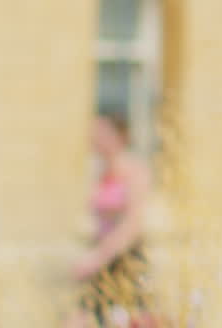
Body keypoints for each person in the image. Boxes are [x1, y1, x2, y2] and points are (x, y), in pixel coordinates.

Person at [65, 114, 153, 328]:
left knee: (131, 320)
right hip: (102, 254)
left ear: (119, 136)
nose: (95, 139)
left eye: (102, 133)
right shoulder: (101, 172)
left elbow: (132, 224)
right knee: (78, 320)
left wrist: (98, 258)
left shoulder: (135, 170)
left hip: (125, 258)